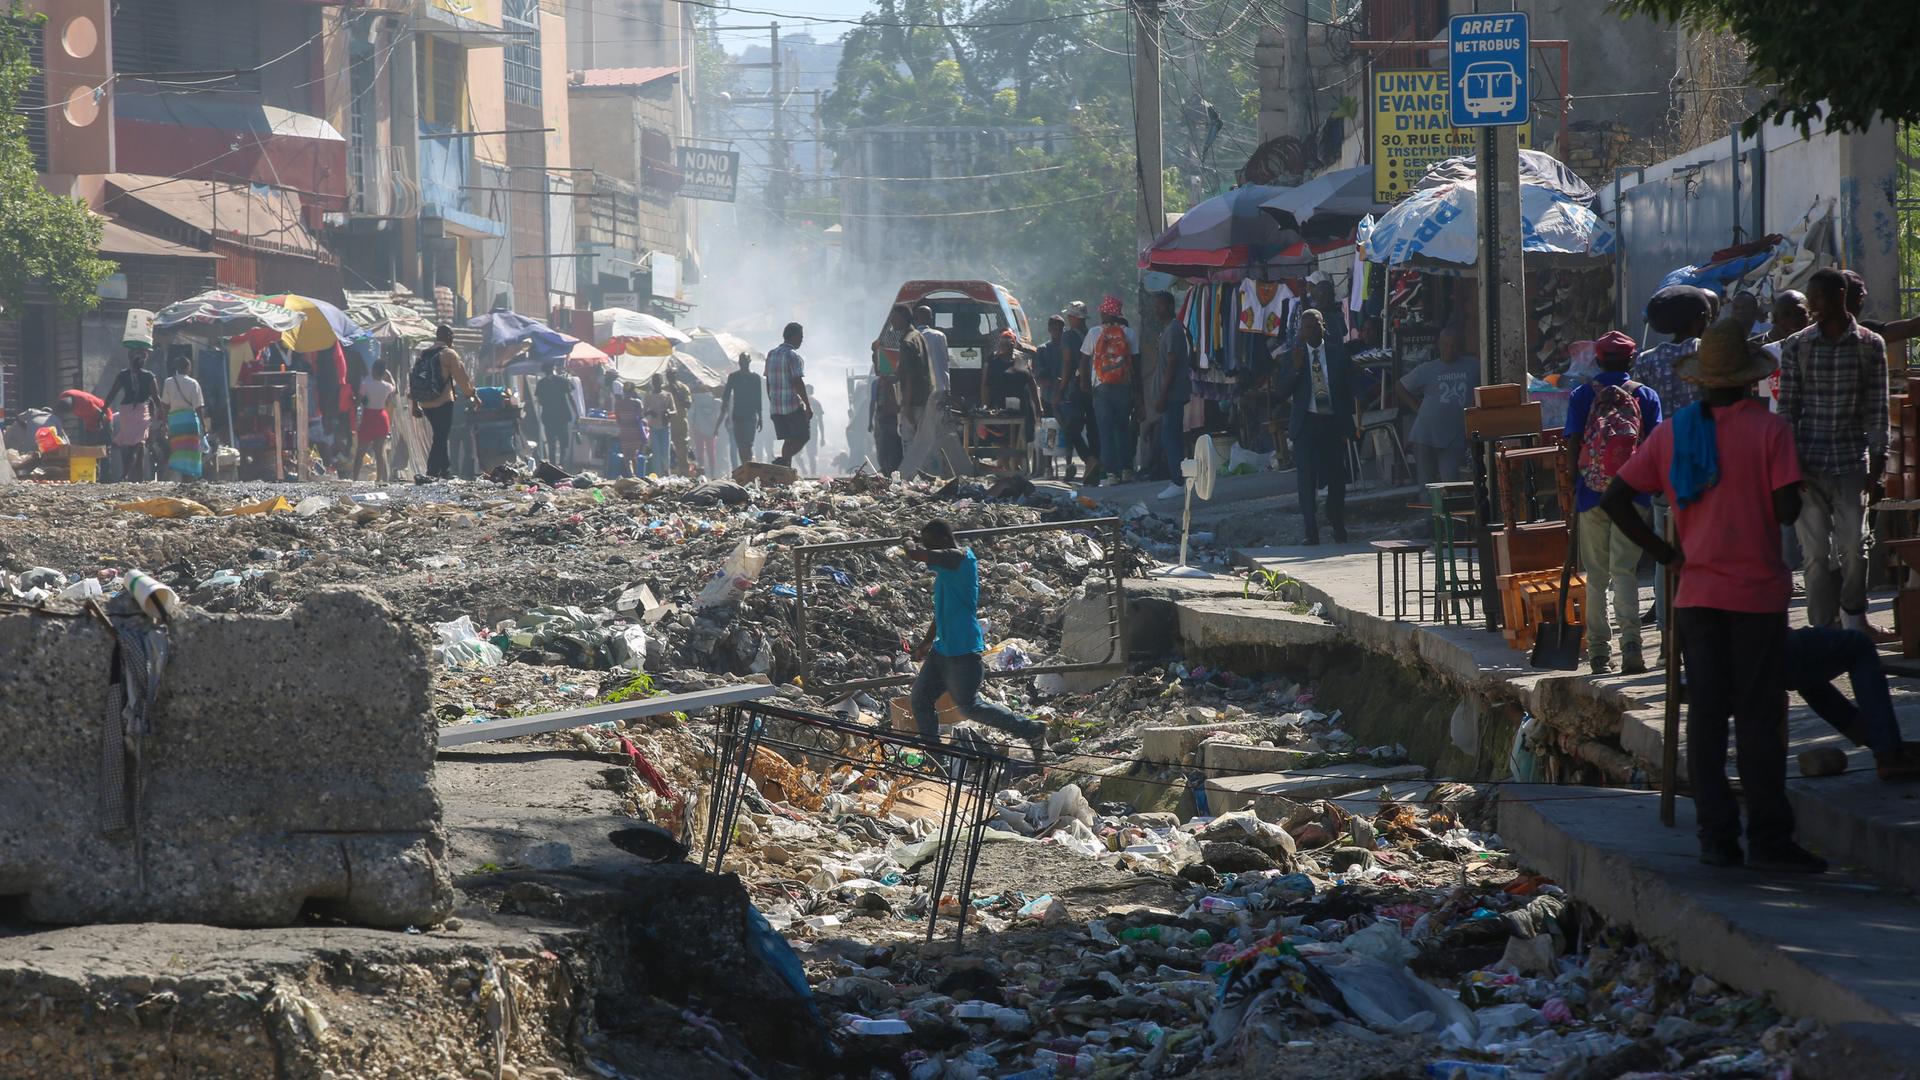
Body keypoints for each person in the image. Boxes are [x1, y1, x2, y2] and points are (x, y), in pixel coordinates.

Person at [1602, 320, 1824, 873]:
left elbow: (1616, 498)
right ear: (1750, 382)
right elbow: (1785, 513)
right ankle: (1769, 839)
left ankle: (1716, 837)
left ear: (1701, 381)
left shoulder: (1675, 431)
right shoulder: (1768, 430)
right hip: (1755, 596)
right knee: (1758, 718)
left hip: (1696, 593)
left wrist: (1665, 551)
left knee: (1705, 718)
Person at [1779, 268, 1888, 633]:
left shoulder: (1870, 345)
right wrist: (1789, 466)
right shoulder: (1797, 345)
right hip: (1808, 465)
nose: (1812, 306)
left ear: (1840, 296)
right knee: (1814, 557)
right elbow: (1788, 410)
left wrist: (1879, 464)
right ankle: (1822, 632)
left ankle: (1853, 615)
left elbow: (1878, 409)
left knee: (1855, 549)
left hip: (1851, 462)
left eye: (1819, 298)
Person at [905, 519, 1050, 760]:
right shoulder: (945, 567)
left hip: (962, 651)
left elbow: (913, 553)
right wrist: (926, 642)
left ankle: (1030, 729)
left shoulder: (960, 558)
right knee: (920, 699)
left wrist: (907, 539)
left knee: (970, 706)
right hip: (943, 650)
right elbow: (942, 611)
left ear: (943, 541)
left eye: (932, 546)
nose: (929, 554)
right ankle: (935, 759)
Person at [1562, 330, 1661, 675]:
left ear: (1598, 359)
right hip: (1633, 495)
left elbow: (1573, 444)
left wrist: (1575, 487)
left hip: (1591, 494)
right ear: (1632, 360)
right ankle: (1632, 647)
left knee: (1596, 575)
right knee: (1625, 572)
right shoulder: (1646, 396)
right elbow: (1653, 448)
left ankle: (1600, 654)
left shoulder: (1580, 396)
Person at [1786, 626, 1920, 781]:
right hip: (1766, 643)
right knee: (1858, 644)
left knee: (1809, 666)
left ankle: (1878, 741)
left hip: (1758, 653)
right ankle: (1889, 752)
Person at [1275, 309, 1356, 544]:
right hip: (1306, 423)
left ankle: (1337, 524)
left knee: (1336, 477)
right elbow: (1281, 392)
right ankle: (1311, 532)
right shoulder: (1293, 356)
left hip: (1331, 422)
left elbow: (1346, 388)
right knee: (1306, 481)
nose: (1309, 331)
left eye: (1314, 326)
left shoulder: (1337, 353)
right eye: (1305, 327)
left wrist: (1347, 422)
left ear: (1323, 327)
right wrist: (1298, 368)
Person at [1397, 323, 1478, 486]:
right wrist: (1415, 407)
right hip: (1425, 435)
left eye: (1454, 345)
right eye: (1446, 345)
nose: (1449, 349)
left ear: (1460, 346)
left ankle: (1448, 512)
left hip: (1454, 436)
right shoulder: (1427, 369)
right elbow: (1400, 386)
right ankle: (1428, 512)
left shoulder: (1473, 365)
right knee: (1426, 485)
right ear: (1439, 345)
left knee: (1451, 484)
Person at [899, 305, 967, 479]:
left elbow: (912, 372)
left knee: (920, 437)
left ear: (915, 318)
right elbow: (945, 362)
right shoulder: (939, 336)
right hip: (942, 390)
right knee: (941, 434)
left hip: (924, 393)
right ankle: (946, 471)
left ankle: (917, 474)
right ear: (930, 319)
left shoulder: (912, 338)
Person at [1082, 294, 1139, 486]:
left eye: (1102, 311)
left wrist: (1085, 384)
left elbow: (1084, 360)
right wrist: (1137, 392)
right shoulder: (1129, 334)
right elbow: (1135, 365)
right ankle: (1127, 470)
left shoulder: (1094, 333)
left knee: (1105, 431)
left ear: (1107, 312)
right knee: (1122, 428)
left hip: (1102, 387)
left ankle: (1111, 474)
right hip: (1123, 387)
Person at [409, 324, 477, 481]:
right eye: (452, 337)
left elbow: (413, 380)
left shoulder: (424, 354)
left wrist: (414, 405)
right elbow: (462, 377)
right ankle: (432, 470)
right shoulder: (449, 354)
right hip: (443, 401)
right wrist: (471, 394)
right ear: (448, 337)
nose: (452, 340)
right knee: (440, 436)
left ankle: (445, 470)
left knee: (440, 435)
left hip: (425, 403)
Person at [1151, 291, 1194, 499]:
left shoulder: (1174, 330)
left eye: (1159, 305)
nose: (1156, 309)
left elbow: (1171, 364)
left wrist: (1162, 395)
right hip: (1170, 394)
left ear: (1169, 305)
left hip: (1172, 395)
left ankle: (1177, 481)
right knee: (1170, 437)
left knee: (1171, 438)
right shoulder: (1169, 330)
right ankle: (1177, 479)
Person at [102, 347, 161, 482]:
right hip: (141, 412)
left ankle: (138, 479)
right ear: (144, 361)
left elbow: (112, 393)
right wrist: (161, 412)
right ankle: (125, 475)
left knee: (136, 447)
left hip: (125, 412)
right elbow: (156, 396)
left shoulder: (123, 375)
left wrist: (103, 409)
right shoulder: (149, 376)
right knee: (136, 446)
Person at [871, 306, 914, 475]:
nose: (892, 322)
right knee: (888, 448)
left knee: (893, 448)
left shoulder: (906, 343)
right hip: (890, 410)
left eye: (895, 318)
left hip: (895, 409)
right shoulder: (894, 344)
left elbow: (899, 377)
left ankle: (893, 473)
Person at [766, 322, 813, 469]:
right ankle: (783, 460)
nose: (802, 340)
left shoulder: (771, 354)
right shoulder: (792, 356)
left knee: (789, 438)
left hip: (776, 408)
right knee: (803, 435)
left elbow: (768, 381)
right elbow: (797, 381)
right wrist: (808, 406)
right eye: (801, 336)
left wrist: (772, 400)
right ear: (793, 336)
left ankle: (784, 469)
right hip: (791, 406)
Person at [156, 354, 207, 482]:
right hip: (190, 421)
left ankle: (183, 481)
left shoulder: (168, 382)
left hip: (176, 422)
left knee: (179, 451)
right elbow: (199, 407)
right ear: (187, 368)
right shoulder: (193, 383)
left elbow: (165, 405)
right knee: (190, 453)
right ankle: (188, 480)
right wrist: (203, 424)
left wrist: (164, 422)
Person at [350, 361, 397, 483]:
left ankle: (354, 479)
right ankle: (379, 480)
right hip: (381, 418)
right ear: (383, 372)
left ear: (373, 370)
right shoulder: (387, 386)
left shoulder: (366, 384)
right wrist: (389, 375)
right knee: (379, 451)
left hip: (368, 418)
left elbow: (358, 401)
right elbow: (394, 388)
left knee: (360, 452)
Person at [718, 352, 764, 467]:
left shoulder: (755, 377)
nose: (743, 363)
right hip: (737, 415)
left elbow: (758, 398)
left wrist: (760, 416)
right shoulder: (734, 377)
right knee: (740, 444)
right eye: (741, 361)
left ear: (749, 362)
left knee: (748, 444)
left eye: (745, 361)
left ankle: (748, 466)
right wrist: (724, 407)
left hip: (750, 416)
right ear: (739, 362)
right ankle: (746, 466)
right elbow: (726, 394)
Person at [535, 361, 577, 465]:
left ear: (544, 371)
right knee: (564, 443)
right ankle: (562, 464)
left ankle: (553, 465)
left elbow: (540, 402)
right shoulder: (563, 381)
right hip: (562, 416)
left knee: (551, 444)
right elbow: (571, 398)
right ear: (554, 368)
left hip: (548, 417)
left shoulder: (541, 383)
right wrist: (577, 413)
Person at [645, 375, 676, 475]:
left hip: (665, 427)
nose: (656, 383)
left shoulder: (667, 395)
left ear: (661, 382)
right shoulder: (649, 396)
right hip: (653, 427)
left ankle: (667, 473)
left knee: (665, 454)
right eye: (655, 381)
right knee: (656, 454)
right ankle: (657, 475)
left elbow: (674, 411)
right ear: (652, 383)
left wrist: (668, 413)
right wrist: (650, 412)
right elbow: (644, 411)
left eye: (658, 381)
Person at [616, 382, 650, 476]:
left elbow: (618, 418)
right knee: (634, 455)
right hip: (635, 432)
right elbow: (641, 417)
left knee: (627, 456)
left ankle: (631, 475)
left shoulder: (619, 403)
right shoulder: (637, 402)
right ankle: (635, 475)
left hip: (624, 431)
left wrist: (624, 425)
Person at [668, 368, 694, 475]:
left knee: (682, 452)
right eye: (668, 375)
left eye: (672, 375)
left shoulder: (683, 388)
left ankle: (685, 475)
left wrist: (676, 392)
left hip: (681, 424)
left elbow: (687, 404)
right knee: (669, 455)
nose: (670, 377)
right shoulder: (664, 388)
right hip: (668, 425)